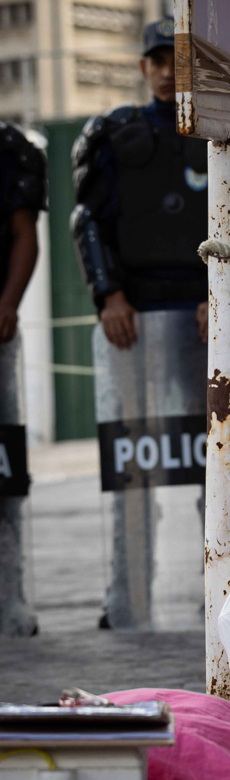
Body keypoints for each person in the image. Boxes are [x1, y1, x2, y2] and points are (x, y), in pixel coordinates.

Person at [71, 18, 230, 629]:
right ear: (143, 68)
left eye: (177, 58)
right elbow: (88, 220)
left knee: (219, 461)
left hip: (203, 317)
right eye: (156, 59)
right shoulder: (113, 134)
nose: (165, 69)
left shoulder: (227, 128)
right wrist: (107, 294)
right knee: (133, 466)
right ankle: (126, 603)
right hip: (130, 320)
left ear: (194, 66)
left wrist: (226, 296)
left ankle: (228, 596)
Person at [0, 120, 46, 638]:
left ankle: (10, 599)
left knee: (4, 476)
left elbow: (22, 235)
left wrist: (7, 305)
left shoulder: (11, 150)